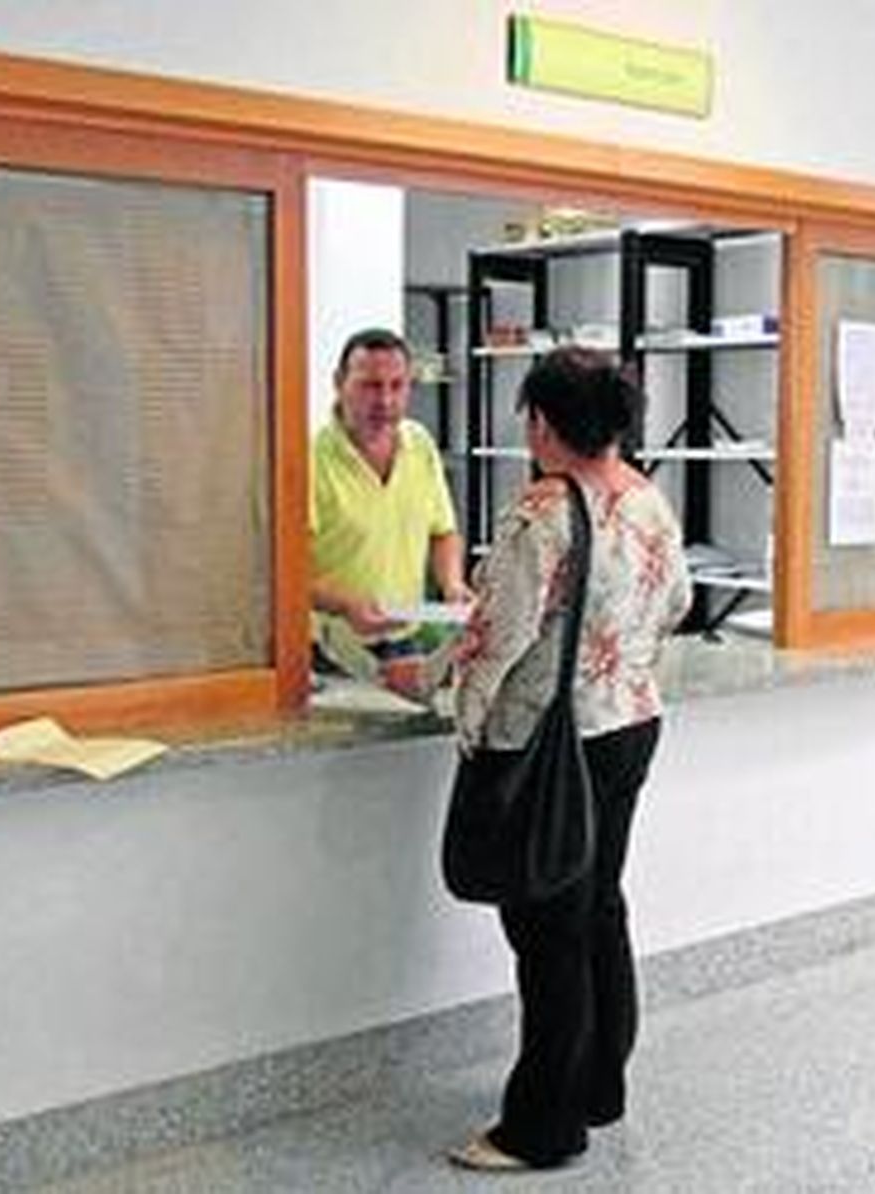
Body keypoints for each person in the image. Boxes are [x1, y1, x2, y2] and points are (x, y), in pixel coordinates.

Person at [446, 348, 692, 1171]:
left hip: (551, 749)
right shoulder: (648, 500)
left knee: (548, 929)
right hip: (629, 725)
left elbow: (495, 643)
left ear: (543, 422)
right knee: (598, 906)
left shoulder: (541, 513)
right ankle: (600, 1085)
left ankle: (541, 1127)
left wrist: (468, 723)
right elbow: (679, 601)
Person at [310, 328, 472, 674]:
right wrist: (346, 604)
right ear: (339, 382)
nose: (385, 401)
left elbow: (443, 532)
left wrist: (453, 585)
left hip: (404, 642)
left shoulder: (420, 444)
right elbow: (285, 572)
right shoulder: (309, 458)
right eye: (370, 385)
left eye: (397, 386)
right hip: (329, 652)